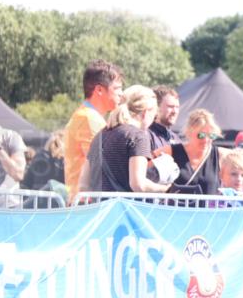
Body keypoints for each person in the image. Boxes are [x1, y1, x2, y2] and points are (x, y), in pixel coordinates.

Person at [157, 109, 243, 195]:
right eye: (201, 135)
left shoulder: (220, 154)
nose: (206, 140)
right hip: (174, 213)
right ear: (189, 132)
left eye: (211, 136)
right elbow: (147, 168)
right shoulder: (171, 151)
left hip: (209, 215)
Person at [64, 60, 123, 199]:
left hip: (85, 201)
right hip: (87, 202)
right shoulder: (89, 118)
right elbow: (104, 165)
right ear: (99, 90)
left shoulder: (87, 116)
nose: (121, 93)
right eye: (117, 88)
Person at [98, 86, 171, 193]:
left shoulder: (101, 134)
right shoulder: (138, 136)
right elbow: (138, 185)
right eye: (154, 116)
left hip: (100, 203)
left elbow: (83, 184)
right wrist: (168, 190)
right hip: (126, 203)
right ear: (145, 113)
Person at [21, 129, 66, 193]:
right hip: (57, 198)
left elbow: (26, 183)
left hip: (35, 197)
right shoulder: (64, 162)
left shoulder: (38, 159)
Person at [148, 86, 181, 150]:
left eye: (177, 107)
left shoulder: (175, 138)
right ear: (156, 107)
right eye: (170, 106)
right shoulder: (146, 136)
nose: (175, 111)